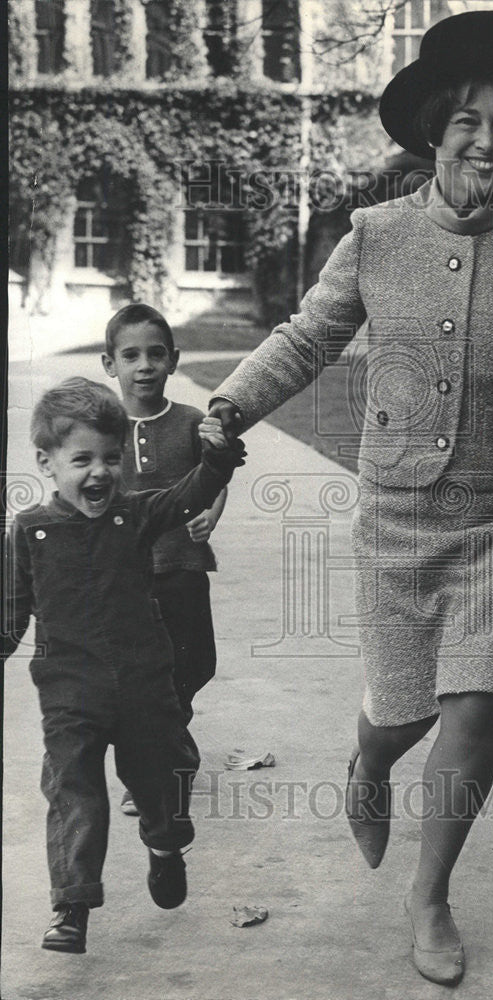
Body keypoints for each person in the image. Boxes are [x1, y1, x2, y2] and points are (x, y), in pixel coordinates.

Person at [209, 10, 493, 986]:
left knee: (473, 707)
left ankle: (430, 895)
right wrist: (231, 403)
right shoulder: (372, 236)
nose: (487, 141)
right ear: (433, 134)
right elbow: (306, 338)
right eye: (466, 123)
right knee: (402, 715)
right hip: (399, 514)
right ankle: (369, 762)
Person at [2, 377, 244, 954]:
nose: (101, 472)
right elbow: (10, 615)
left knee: (158, 782)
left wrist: (218, 459)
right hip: (70, 694)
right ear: (46, 462)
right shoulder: (30, 531)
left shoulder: (133, 517)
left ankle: (164, 846)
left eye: (111, 458)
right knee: (72, 791)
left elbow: (191, 492)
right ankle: (72, 906)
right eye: (81, 459)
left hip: (143, 688)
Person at [102, 304, 227, 816]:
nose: (144, 365)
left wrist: (211, 514)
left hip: (183, 566)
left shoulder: (193, 422)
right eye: (130, 355)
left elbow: (217, 475)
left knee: (193, 663)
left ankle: (169, 744)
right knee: (138, 676)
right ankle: (153, 769)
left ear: (174, 360)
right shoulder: (100, 428)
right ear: (109, 364)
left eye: (156, 354)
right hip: (127, 579)